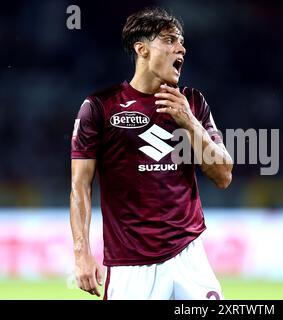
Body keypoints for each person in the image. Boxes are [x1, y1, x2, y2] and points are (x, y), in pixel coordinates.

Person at [69, 7, 233, 300]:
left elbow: (223, 175)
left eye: (181, 42)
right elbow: (80, 184)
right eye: (170, 40)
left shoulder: (192, 102)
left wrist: (189, 122)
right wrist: (82, 254)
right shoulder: (99, 107)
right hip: (132, 266)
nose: (181, 48)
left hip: (189, 256)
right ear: (141, 49)